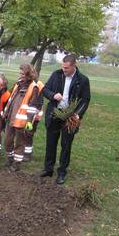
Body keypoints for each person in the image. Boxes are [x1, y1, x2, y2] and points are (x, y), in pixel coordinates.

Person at [39, 55, 90, 185]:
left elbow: (85, 100)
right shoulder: (56, 75)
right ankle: (48, 169)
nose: (64, 70)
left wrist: (77, 115)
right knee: (51, 142)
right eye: (63, 67)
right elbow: (45, 89)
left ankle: (61, 172)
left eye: (66, 68)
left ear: (74, 66)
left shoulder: (83, 80)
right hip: (55, 114)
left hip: (70, 117)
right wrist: (53, 95)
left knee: (66, 145)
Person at [3, 63, 41, 172]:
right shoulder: (18, 83)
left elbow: (33, 106)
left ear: (29, 73)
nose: (21, 75)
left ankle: (16, 164)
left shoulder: (34, 87)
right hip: (11, 118)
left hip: (22, 121)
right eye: (20, 73)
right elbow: (11, 99)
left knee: (19, 143)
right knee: (7, 141)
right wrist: (6, 113)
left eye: (23, 73)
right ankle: (10, 158)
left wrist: (29, 121)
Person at [22, 80, 44, 162]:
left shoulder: (38, 85)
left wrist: (31, 117)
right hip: (26, 115)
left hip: (33, 117)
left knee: (28, 133)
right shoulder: (28, 83)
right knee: (25, 133)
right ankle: (24, 151)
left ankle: (27, 154)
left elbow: (39, 103)